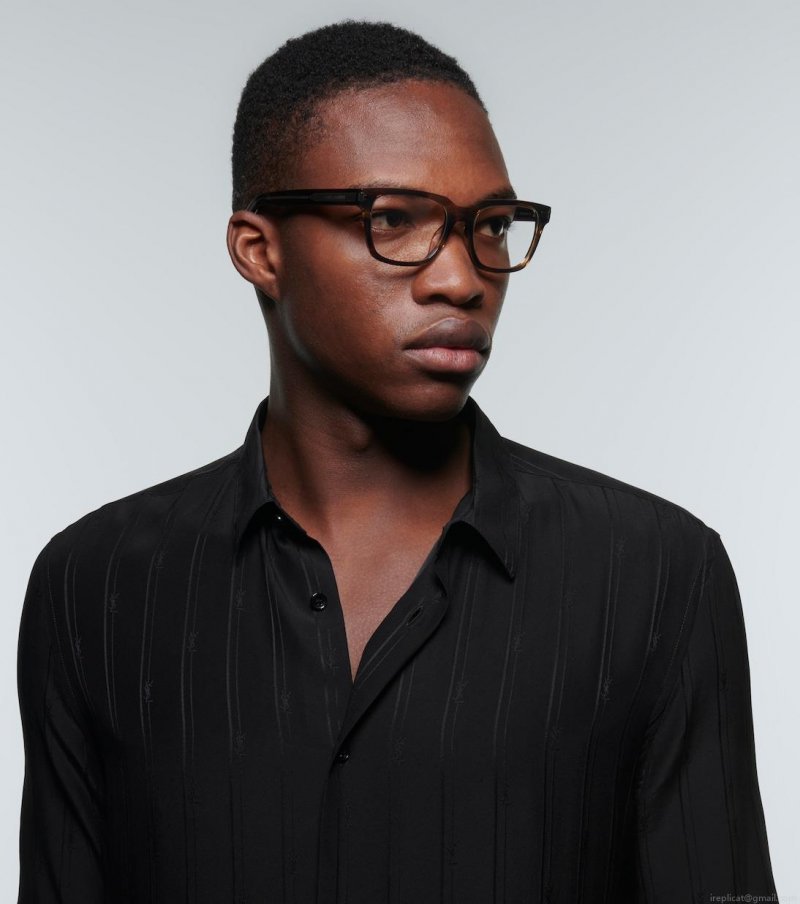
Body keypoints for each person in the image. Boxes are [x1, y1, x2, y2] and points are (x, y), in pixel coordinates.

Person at [16, 19, 778, 904]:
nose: (463, 278)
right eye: (394, 220)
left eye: (491, 226)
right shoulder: (96, 587)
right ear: (259, 251)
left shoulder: (657, 575)